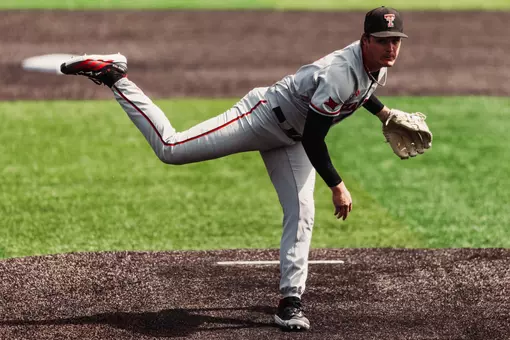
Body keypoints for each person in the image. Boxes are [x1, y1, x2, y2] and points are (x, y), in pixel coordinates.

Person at [61, 6, 430, 331]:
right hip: (261, 117)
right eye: (383, 40)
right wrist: (337, 184)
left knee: (302, 213)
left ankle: (290, 303)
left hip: (293, 138)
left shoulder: (376, 66)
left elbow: (361, 92)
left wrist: (383, 113)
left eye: (396, 39)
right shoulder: (339, 72)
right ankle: (116, 76)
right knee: (171, 148)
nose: (391, 47)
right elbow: (316, 139)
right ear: (365, 40)